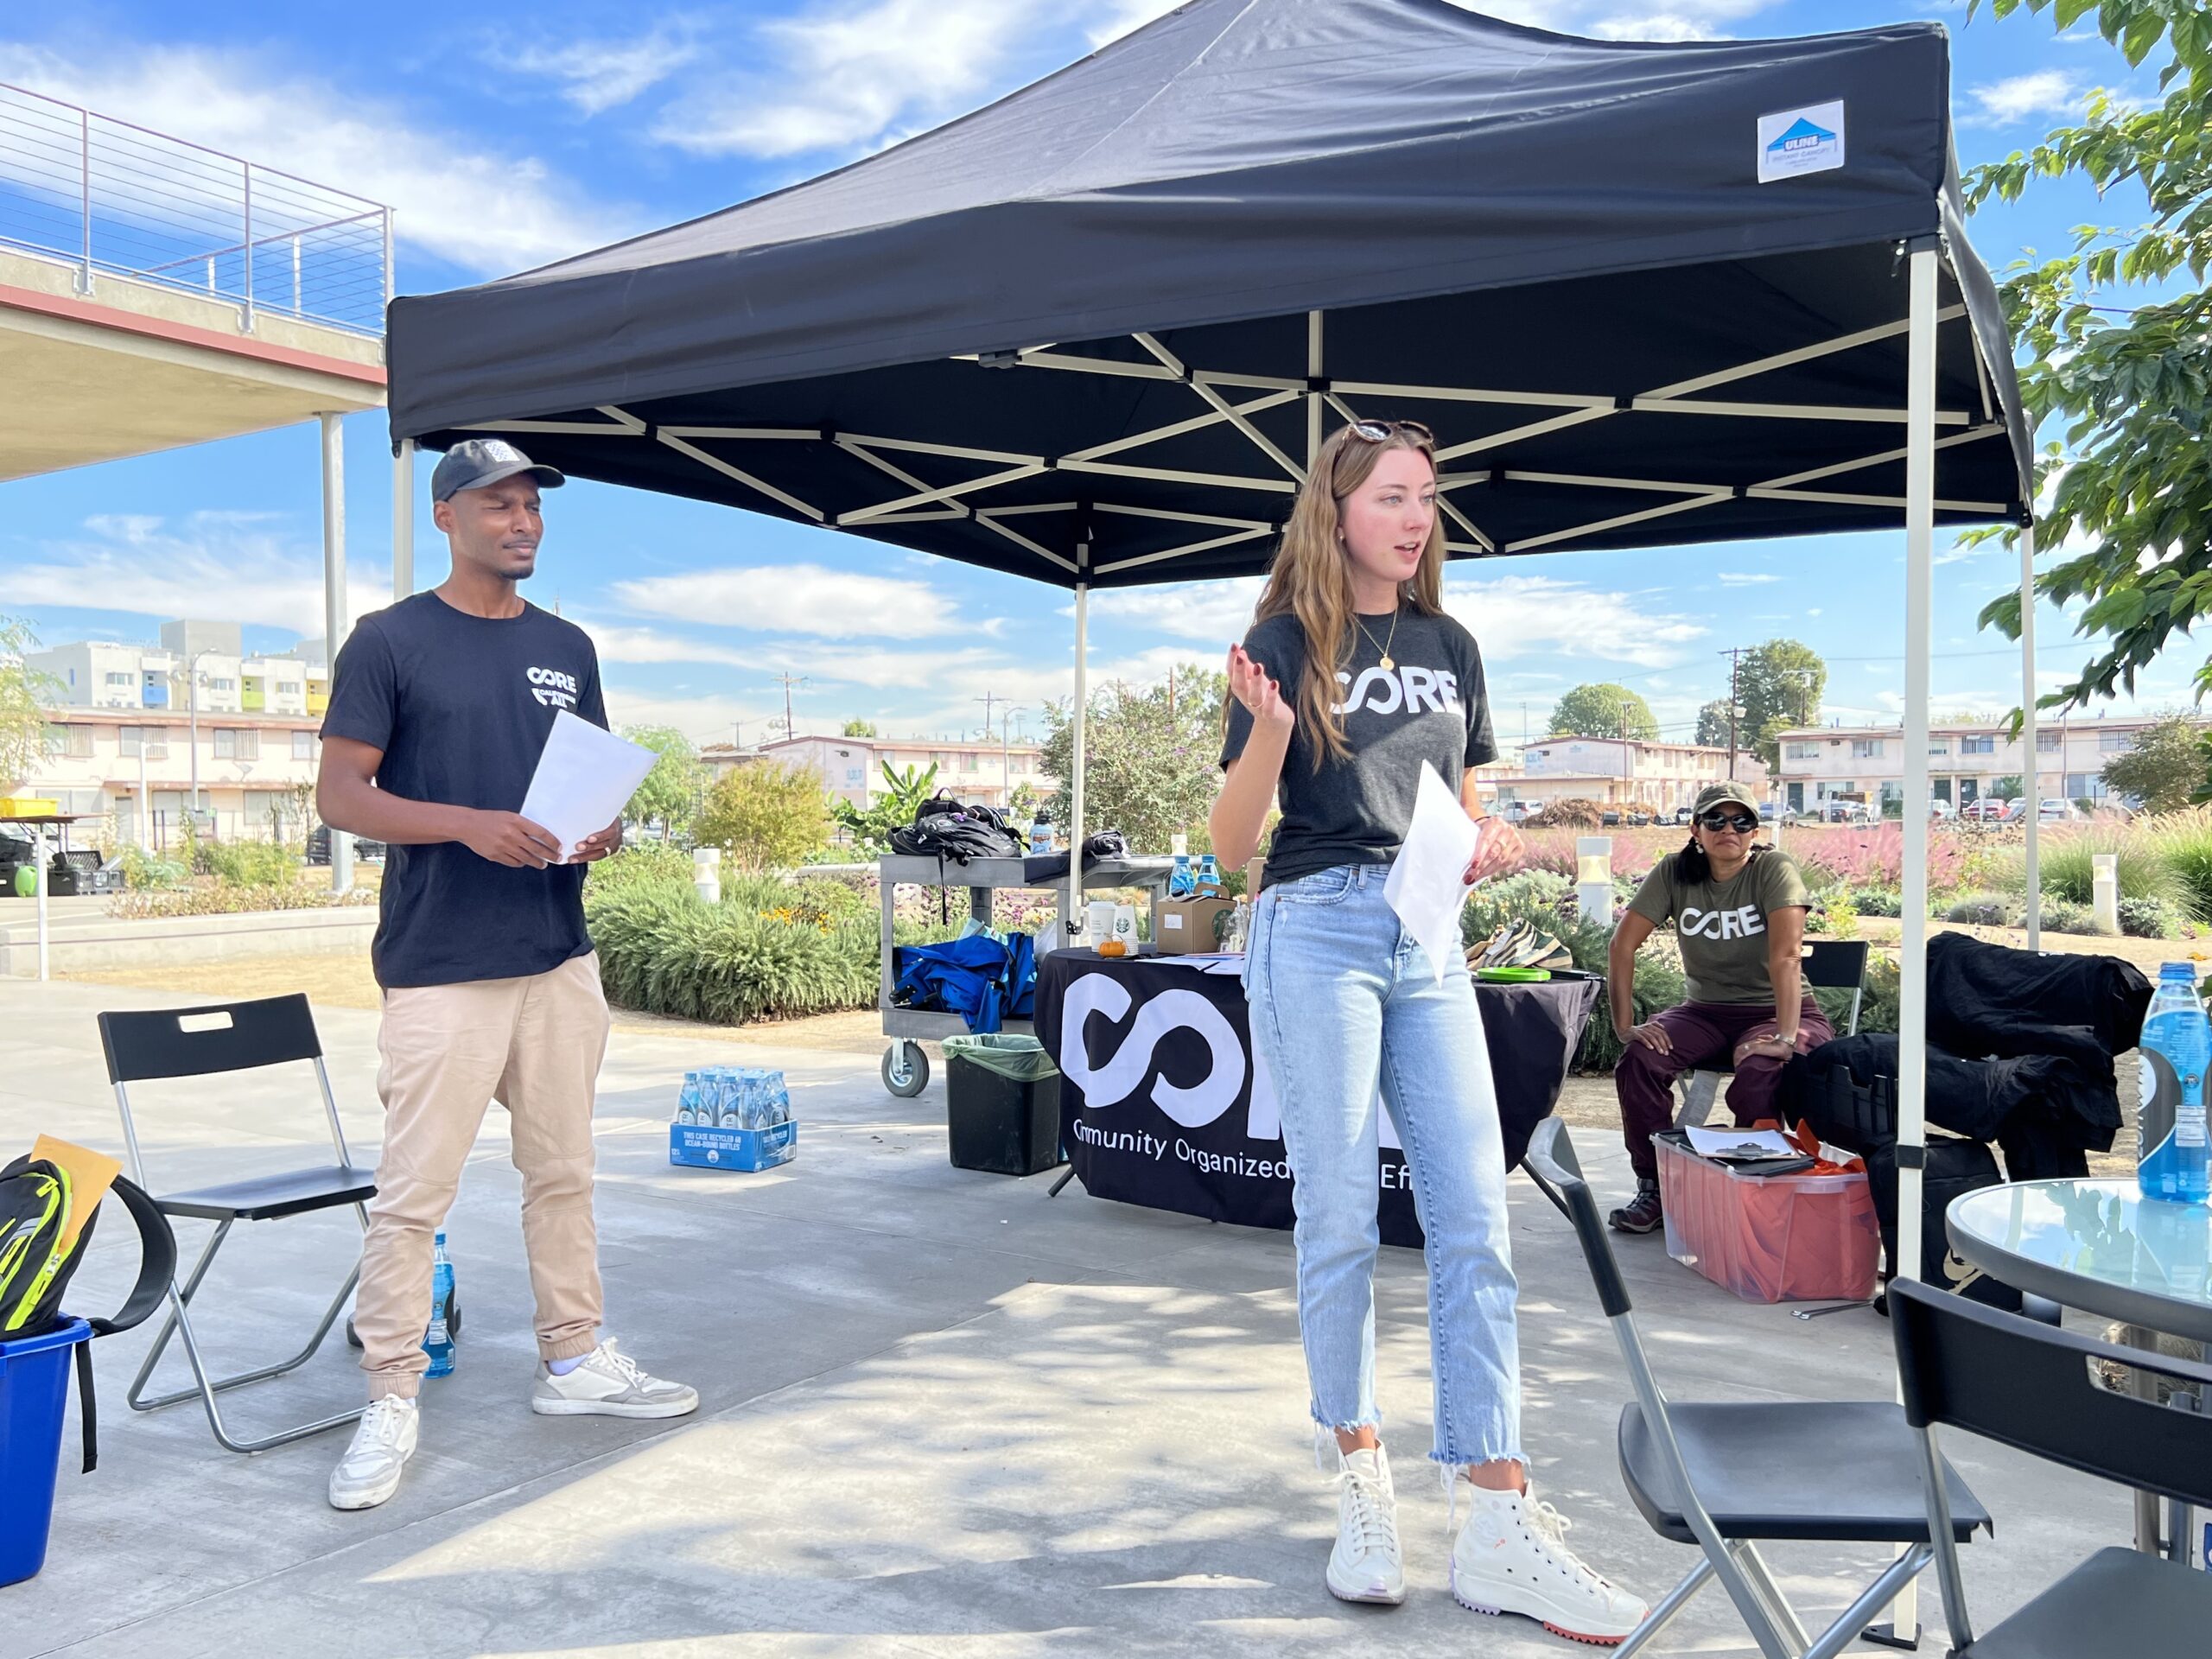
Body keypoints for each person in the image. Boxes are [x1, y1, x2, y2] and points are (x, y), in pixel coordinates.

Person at [1210, 419, 1648, 1644]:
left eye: (1427, 497)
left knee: (1476, 1220)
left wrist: (1488, 839)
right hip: (1315, 929)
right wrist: (1281, 737)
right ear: (1336, 512)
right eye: (1392, 496)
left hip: (1428, 939)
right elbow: (1232, 846)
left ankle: (1497, 1520)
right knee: (1340, 1218)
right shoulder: (1282, 643)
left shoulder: (1452, 643)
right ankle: (1360, 1479)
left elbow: (1462, 802)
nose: (1415, 516)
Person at [316, 438, 697, 1512]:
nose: (522, 521)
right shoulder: (389, 642)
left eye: (531, 505)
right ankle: (390, 1393)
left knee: (564, 1173)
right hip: (441, 967)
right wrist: (468, 828)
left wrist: (602, 830)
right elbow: (342, 796)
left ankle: (573, 1359)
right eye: (498, 504)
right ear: (447, 516)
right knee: (412, 1199)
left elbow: (589, 780)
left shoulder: (568, 646)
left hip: (556, 958)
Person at [1606, 781, 1830, 1234]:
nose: (1729, 828)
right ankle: (1656, 1188)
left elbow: (1786, 957)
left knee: (1759, 1072)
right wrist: (1625, 1026)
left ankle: (1752, 1190)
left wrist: (1786, 1038)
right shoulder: (1674, 872)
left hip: (1781, 1011)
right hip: (1705, 1011)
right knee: (1640, 1060)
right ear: (1696, 829)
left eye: (1741, 820)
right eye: (1716, 819)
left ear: (1754, 829)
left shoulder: (1773, 869)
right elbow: (1621, 946)